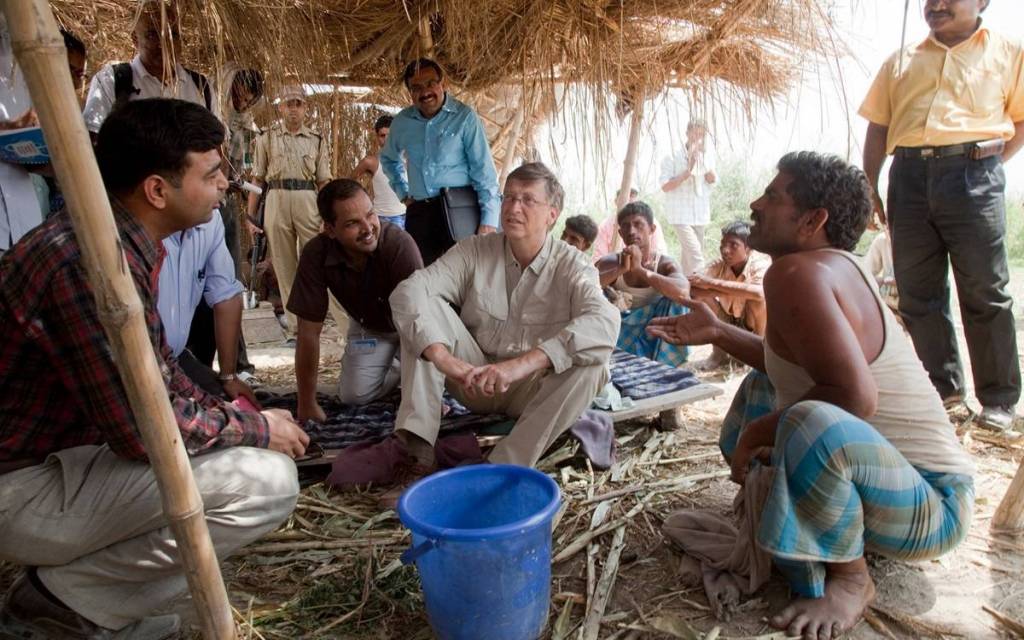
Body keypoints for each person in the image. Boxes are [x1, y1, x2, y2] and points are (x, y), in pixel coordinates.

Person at [0, 99, 305, 639]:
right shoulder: (90, 266)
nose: (224, 185)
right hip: (21, 489)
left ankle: (80, 600)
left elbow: (163, 374)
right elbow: (142, 431)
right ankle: (63, 603)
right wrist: (258, 430)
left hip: (60, 461)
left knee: (245, 452)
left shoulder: (117, 242)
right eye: (210, 175)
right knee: (266, 484)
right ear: (157, 191)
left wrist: (241, 415)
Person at [649, 152, 974, 640]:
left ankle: (851, 581)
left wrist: (756, 435)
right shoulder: (825, 267)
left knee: (808, 418)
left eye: (773, 196)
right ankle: (819, 525)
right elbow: (791, 368)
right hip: (896, 494)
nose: (755, 204)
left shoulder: (797, 274)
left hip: (932, 508)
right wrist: (717, 331)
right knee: (766, 388)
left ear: (812, 220)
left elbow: (854, 398)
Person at [386, 162, 619, 502]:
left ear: (552, 214)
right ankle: (419, 454)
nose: (513, 208)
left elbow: (605, 323)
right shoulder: (475, 250)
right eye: (508, 197)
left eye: (527, 200)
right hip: (471, 377)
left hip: (531, 390)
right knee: (419, 312)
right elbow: (410, 292)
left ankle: (500, 471)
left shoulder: (573, 265)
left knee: (594, 365)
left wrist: (521, 365)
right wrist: (445, 360)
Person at [860, 0, 1024, 432]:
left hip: (975, 175)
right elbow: (878, 127)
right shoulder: (900, 60)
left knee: (985, 290)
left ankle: (999, 400)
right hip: (908, 177)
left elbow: (1021, 119)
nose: (936, 4)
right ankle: (943, 392)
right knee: (917, 293)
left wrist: (985, 163)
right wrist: (870, 184)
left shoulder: (1009, 52)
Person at [289, 179, 422, 420]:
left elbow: (421, 322)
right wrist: (306, 403)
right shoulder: (316, 254)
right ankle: (393, 364)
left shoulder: (399, 245)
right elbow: (308, 332)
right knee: (353, 396)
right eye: (352, 223)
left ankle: (404, 366)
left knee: (422, 394)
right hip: (371, 328)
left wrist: (423, 395)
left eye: (370, 215)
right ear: (330, 229)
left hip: (413, 329)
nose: (368, 228)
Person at [380, 58, 500, 265]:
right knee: (422, 275)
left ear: (443, 83)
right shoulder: (402, 122)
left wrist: (488, 222)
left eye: (430, 83)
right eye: (416, 88)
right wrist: (403, 194)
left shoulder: (465, 118)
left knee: (464, 275)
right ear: (410, 93)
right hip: (420, 213)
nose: (425, 92)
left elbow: (484, 171)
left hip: (460, 209)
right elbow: (389, 159)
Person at [246, 84, 336, 346]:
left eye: (298, 103)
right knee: (284, 266)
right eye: (288, 104)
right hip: (277, 198)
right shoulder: (267, 138)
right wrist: (250, 217)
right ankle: (296, 330)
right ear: (280, 108)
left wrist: (328, 216)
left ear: (305, 108)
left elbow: (324, 181)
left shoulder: (316, 140)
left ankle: (317, 320)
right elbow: (258, 179)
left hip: (308, 199)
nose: (293, 109)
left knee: (315, 260)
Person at [157, 213, 259, 404]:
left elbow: (225, 293)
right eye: (208, 181)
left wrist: (229, 377)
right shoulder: (136, 237)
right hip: (141, 363)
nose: (219, 201)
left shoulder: (210, 218)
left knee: (237, 407)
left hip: (174, 358)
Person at [82, 0, 216, 134]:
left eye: (173, 35)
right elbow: (92, 138)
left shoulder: (202, 87)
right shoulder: (111, 81)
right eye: (153, 35)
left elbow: (217, 141)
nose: (164, 44)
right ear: (135, 39)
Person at [596, 201, 690, 368]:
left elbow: (683, 292)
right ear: (620, 233)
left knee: (677, 299)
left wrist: (639, 270)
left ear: (652, 229)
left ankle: (664, 365)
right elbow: (583, 287)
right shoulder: (610, 262)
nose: (632, 231)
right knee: (595, 294)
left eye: (638, 224)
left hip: (653, 332)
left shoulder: (665, 264)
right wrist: (622, 268)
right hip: (620, 331)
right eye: (626, 226)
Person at [688, 220, 769, 369]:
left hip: (751, 323)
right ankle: (718, 354)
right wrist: (715, 289)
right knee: (702, 297)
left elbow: (758, 293)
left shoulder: (759, 263)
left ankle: (759, 354)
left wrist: (711, 284)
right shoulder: (719, 264)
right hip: (727, 319)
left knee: (758, 301)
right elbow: (693, 286)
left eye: (733, 245)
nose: (725, 250)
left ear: (748, 248)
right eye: (723, 245)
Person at [660, 119, 717, 275]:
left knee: (688, 260)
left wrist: (703, 164)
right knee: (695, 254)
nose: (698, 138)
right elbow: (665, 186)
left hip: (700, 213)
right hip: (680, 214)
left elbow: (712, 180)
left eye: (701, 135)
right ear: (687, 133)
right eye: (695, 134)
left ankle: (685, 286)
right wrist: (688, 171)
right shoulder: (672, 155)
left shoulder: (707, 155)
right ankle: (705, 282)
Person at [353, 114, 406, 229]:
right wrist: (362, 201)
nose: (386, 139)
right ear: (377, 137)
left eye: (390, 135)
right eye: (382, 135)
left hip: (406, 215)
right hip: (383, 218)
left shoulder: (407, 159)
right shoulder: (371, 162)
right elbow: (350, 181)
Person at [591, 187, 668, 261]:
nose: (631, 232)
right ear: (616, 201)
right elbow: (598, 259)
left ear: (652, 229)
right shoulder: (605, 226)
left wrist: (640, 267)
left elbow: (660, 254)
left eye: (632, 195)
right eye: (624, 196)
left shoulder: (650, 222)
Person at [863, 228, 899, 315]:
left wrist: (885, 280)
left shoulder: (918, 244)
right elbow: (865, 274)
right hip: (888, 306)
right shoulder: (882, 240)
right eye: (886, 226)